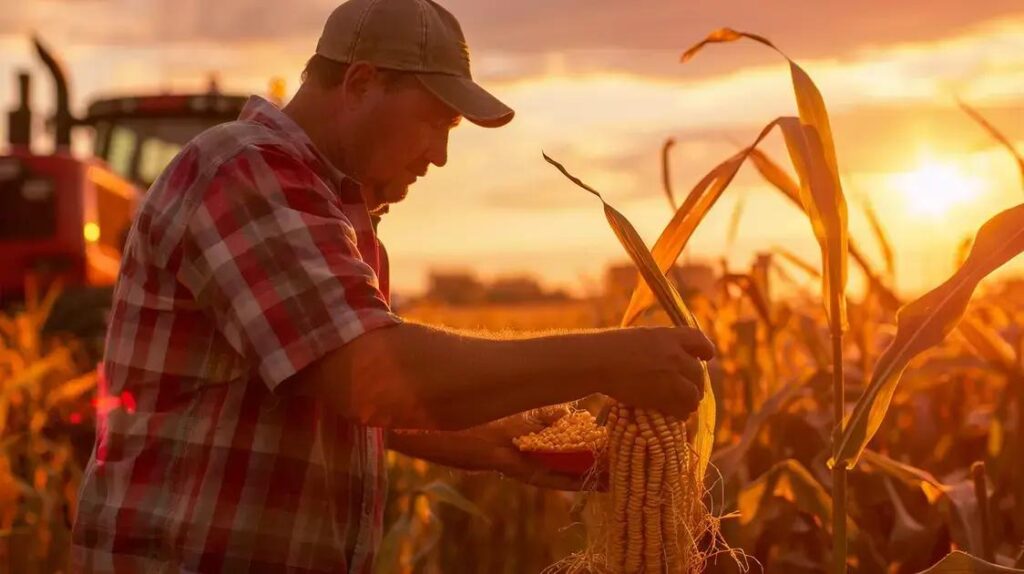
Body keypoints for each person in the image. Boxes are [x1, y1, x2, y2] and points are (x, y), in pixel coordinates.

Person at [70, 0, 714, 572]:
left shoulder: (340, 217)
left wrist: (498, 441)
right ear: (360, 82)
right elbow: (369, 376)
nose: (438, 155)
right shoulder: (242, 171)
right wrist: (608, 360)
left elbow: (342, 404)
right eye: (435, 122)